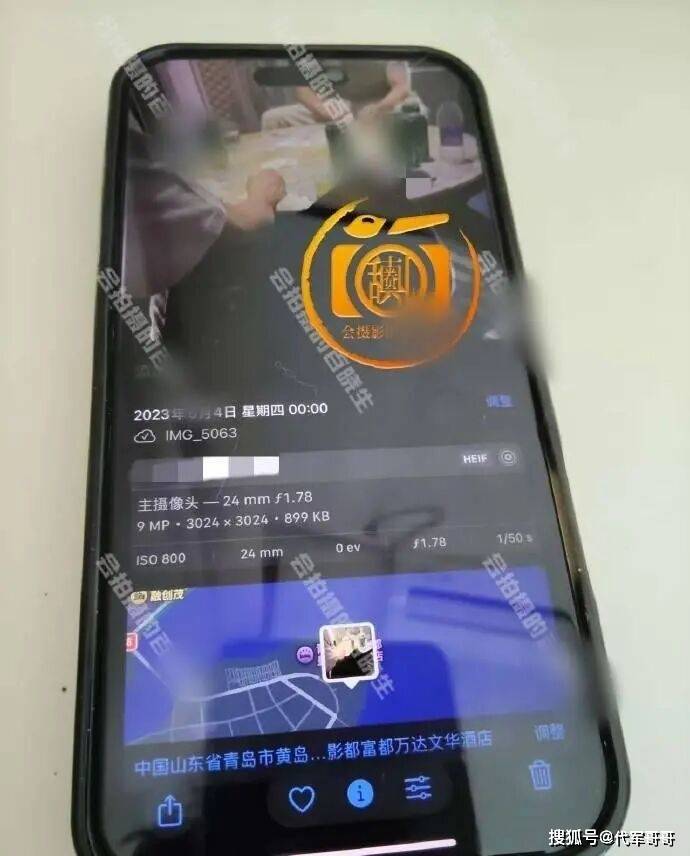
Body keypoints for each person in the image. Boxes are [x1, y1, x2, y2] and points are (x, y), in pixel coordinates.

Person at [261, 59, 419, 130]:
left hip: (383, 103)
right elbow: (302, 90)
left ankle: (414, 178)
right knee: (272, 118)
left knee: (413, 114)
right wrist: (324, 109)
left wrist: (378, 108)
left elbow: (401, 87)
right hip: (340, 105)